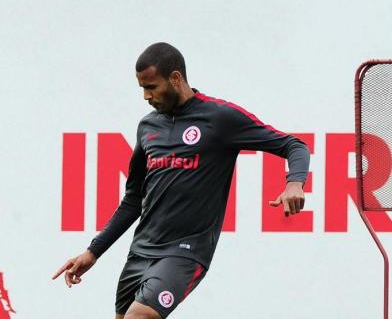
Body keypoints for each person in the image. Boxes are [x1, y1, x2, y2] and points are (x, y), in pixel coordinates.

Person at [53, 42, 310, 319]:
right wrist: (93, 252)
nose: (145, 96)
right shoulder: (147, 127)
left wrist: (294, 182)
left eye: (151, 87)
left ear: (175, 79)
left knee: (139, 317)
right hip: (140, 253)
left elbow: (293, 145)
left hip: (185, 252)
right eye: (141, 87)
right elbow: (133, 200)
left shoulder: (219, 117)